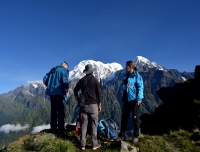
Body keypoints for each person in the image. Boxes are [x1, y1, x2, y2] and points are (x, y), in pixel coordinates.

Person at [74, 64, 102, 151]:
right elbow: (99, 94)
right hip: (93, 106)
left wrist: (78, 98)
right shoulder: (95, 80)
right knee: (94, 125)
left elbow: (75, 90)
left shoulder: (82, 80)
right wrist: (99, 104)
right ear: (92, 71)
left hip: (84, 106)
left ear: (86, 72)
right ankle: (94, 144)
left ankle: (82, 145)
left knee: (83, 125)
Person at [118, 60, 144, 143]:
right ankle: (121, 135)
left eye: (126, 66)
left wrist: (139, 99)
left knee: (135, 118)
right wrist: (125, 86)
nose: (125, 67)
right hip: (126, 100)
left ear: (130, 67)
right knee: (124, 118)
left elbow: (140, 88)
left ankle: (135, 136)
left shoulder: (137, 76)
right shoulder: (125, 77)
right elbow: (121, 87)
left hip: (134, 101)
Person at [43, 61, 70, 133]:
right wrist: (67, 89)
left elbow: (44, 79)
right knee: (61, 111)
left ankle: (53, 128)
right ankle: (61, 128)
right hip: (60, 93)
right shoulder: (63, 70)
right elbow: (65, 81)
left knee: (53, 111)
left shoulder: (52, 70)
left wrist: (49, 86)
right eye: (67, 68)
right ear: (65, 66)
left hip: (52, 93)